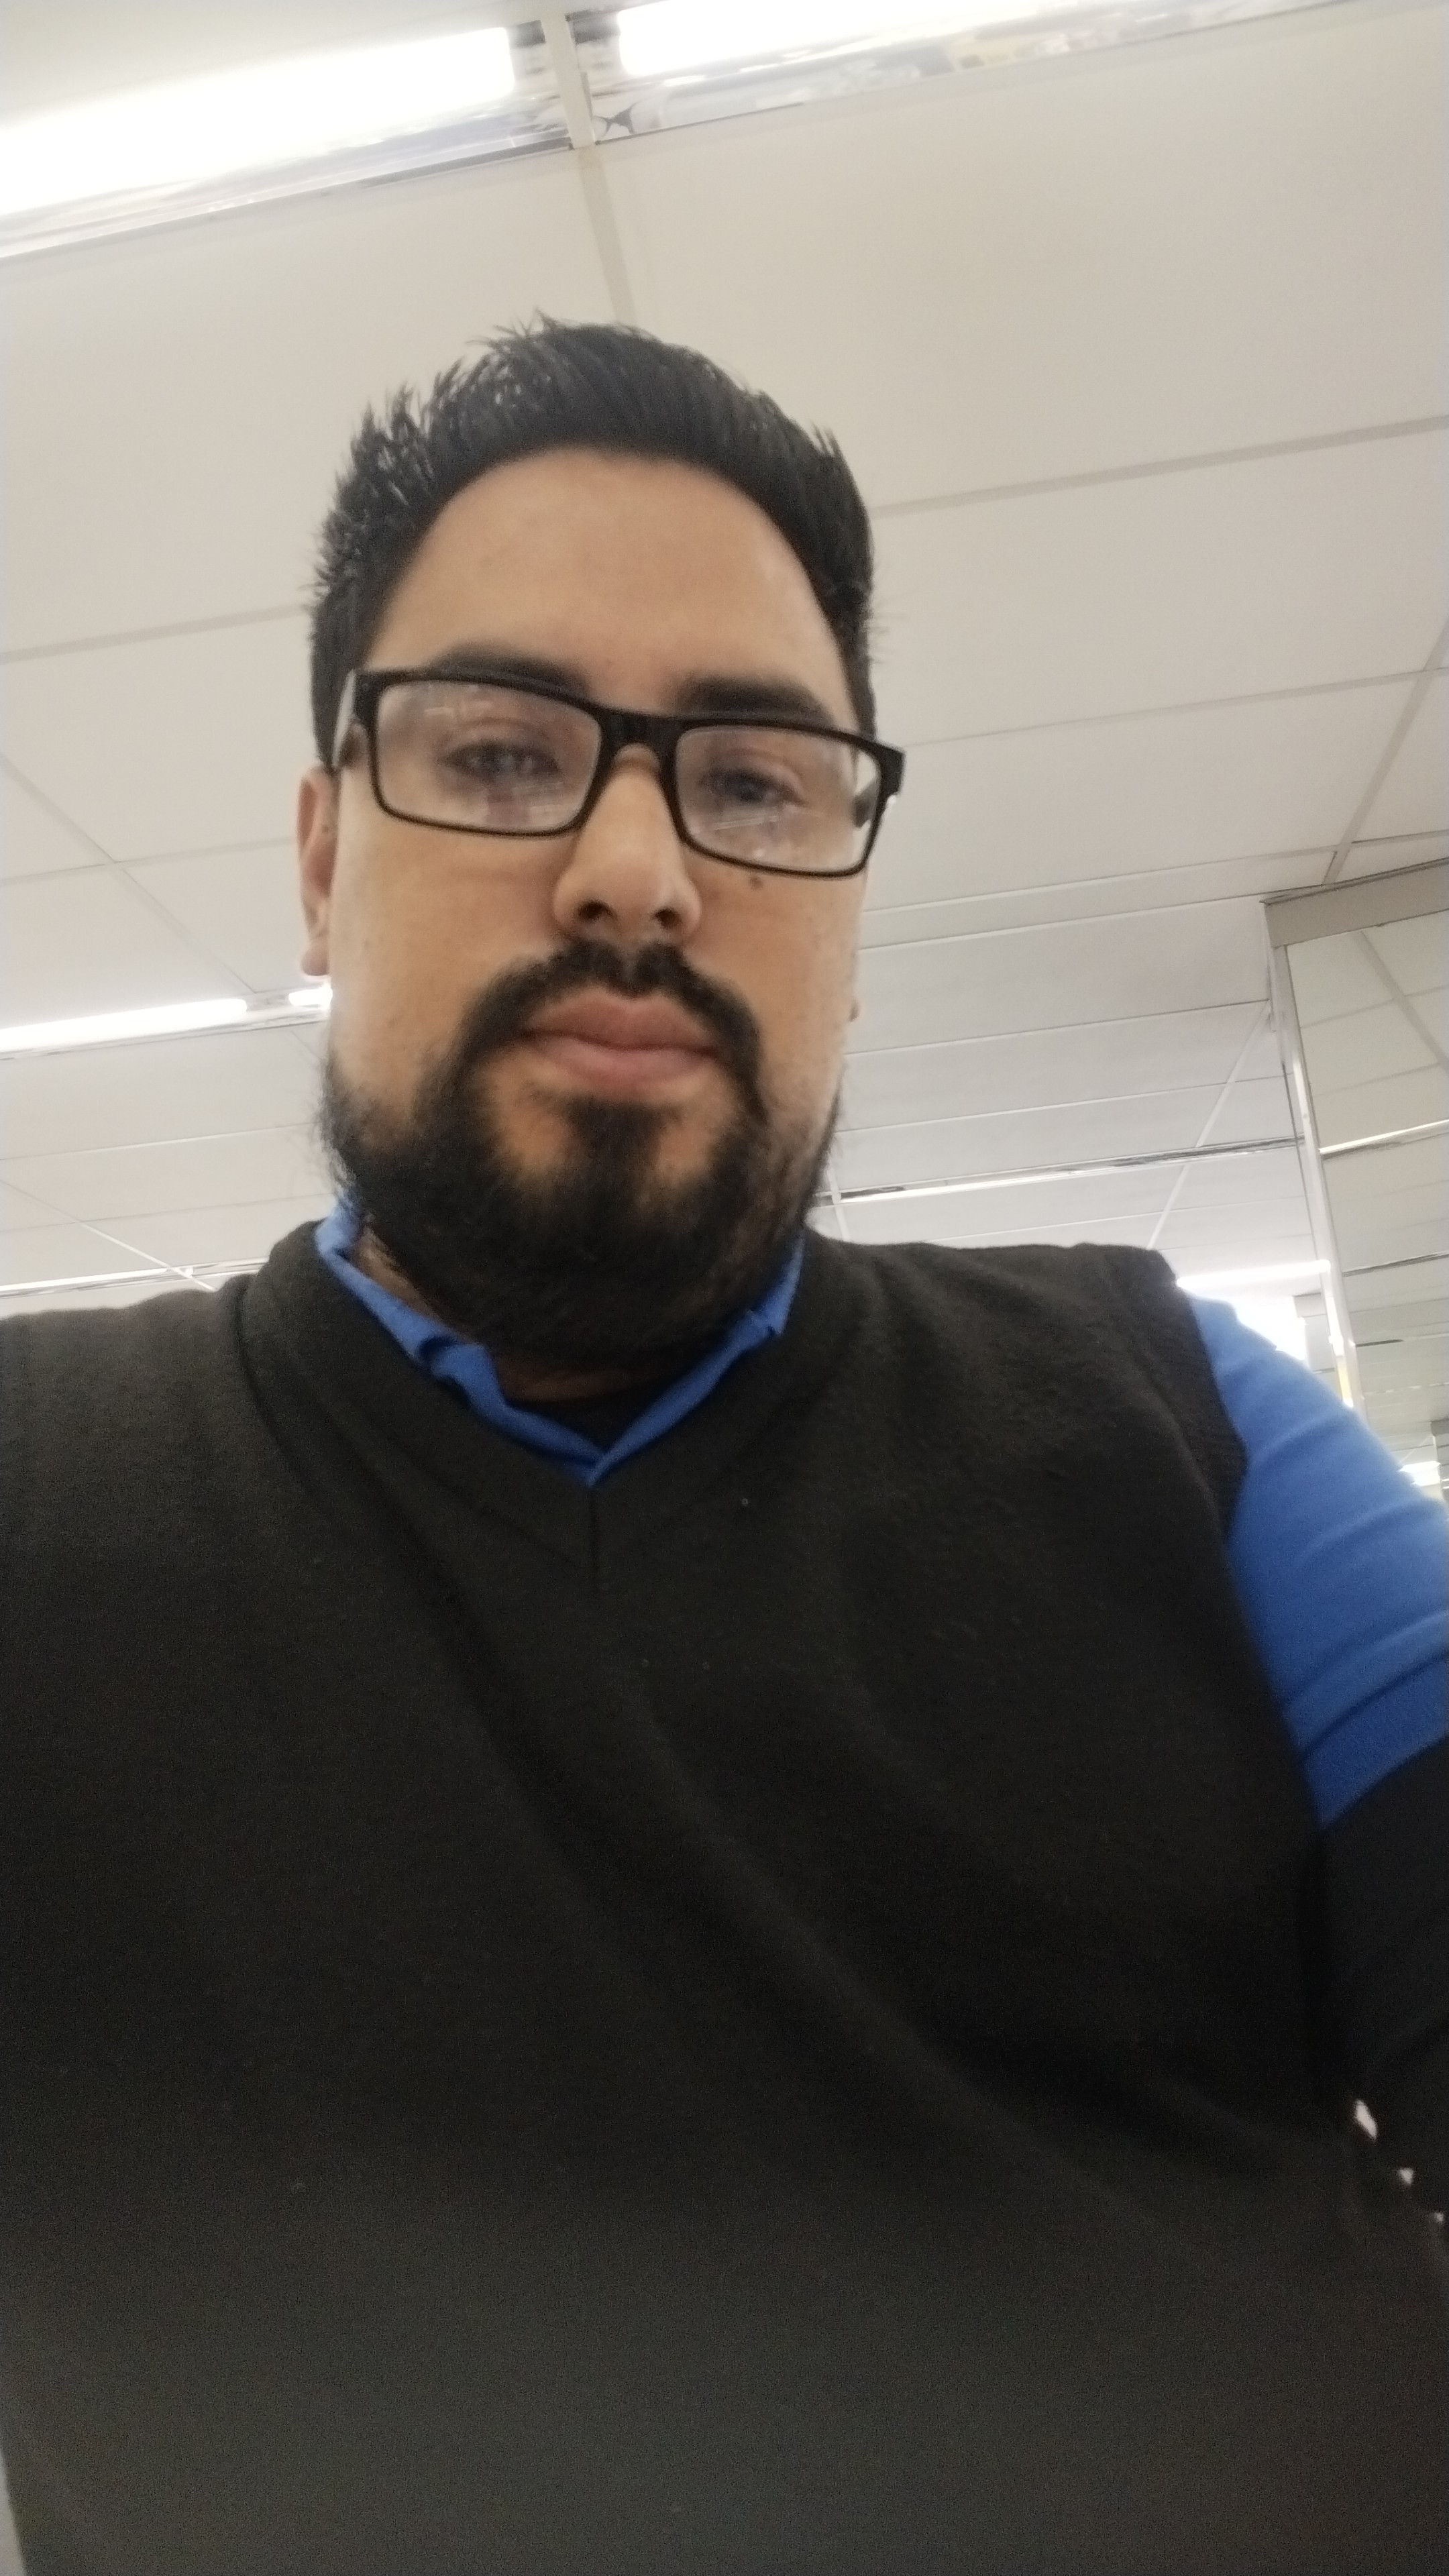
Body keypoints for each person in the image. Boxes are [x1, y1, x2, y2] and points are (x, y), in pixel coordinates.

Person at [0, 319, 1444, 2576]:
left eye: (756, 784)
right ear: (321, 858)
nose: (634, 869)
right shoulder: (33, 1506)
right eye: (500, 753)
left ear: (848, 916)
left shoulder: (1185, 1419)